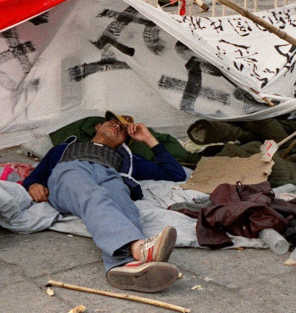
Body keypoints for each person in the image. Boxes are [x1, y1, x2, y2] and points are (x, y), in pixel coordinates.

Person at [22, 112, 183, 293]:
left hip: (109, 174)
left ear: (125, 141)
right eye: (113, 122)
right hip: (72, 170)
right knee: (94, 195)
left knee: (125, 205)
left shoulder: (126, 158)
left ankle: (125, 266)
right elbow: (37, 175)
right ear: (98, 126)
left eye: (122, 130)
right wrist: (34, 184)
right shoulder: (64, 148)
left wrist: (148, 138)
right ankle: (139, 249)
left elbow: (175, 174)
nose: (116, 126)